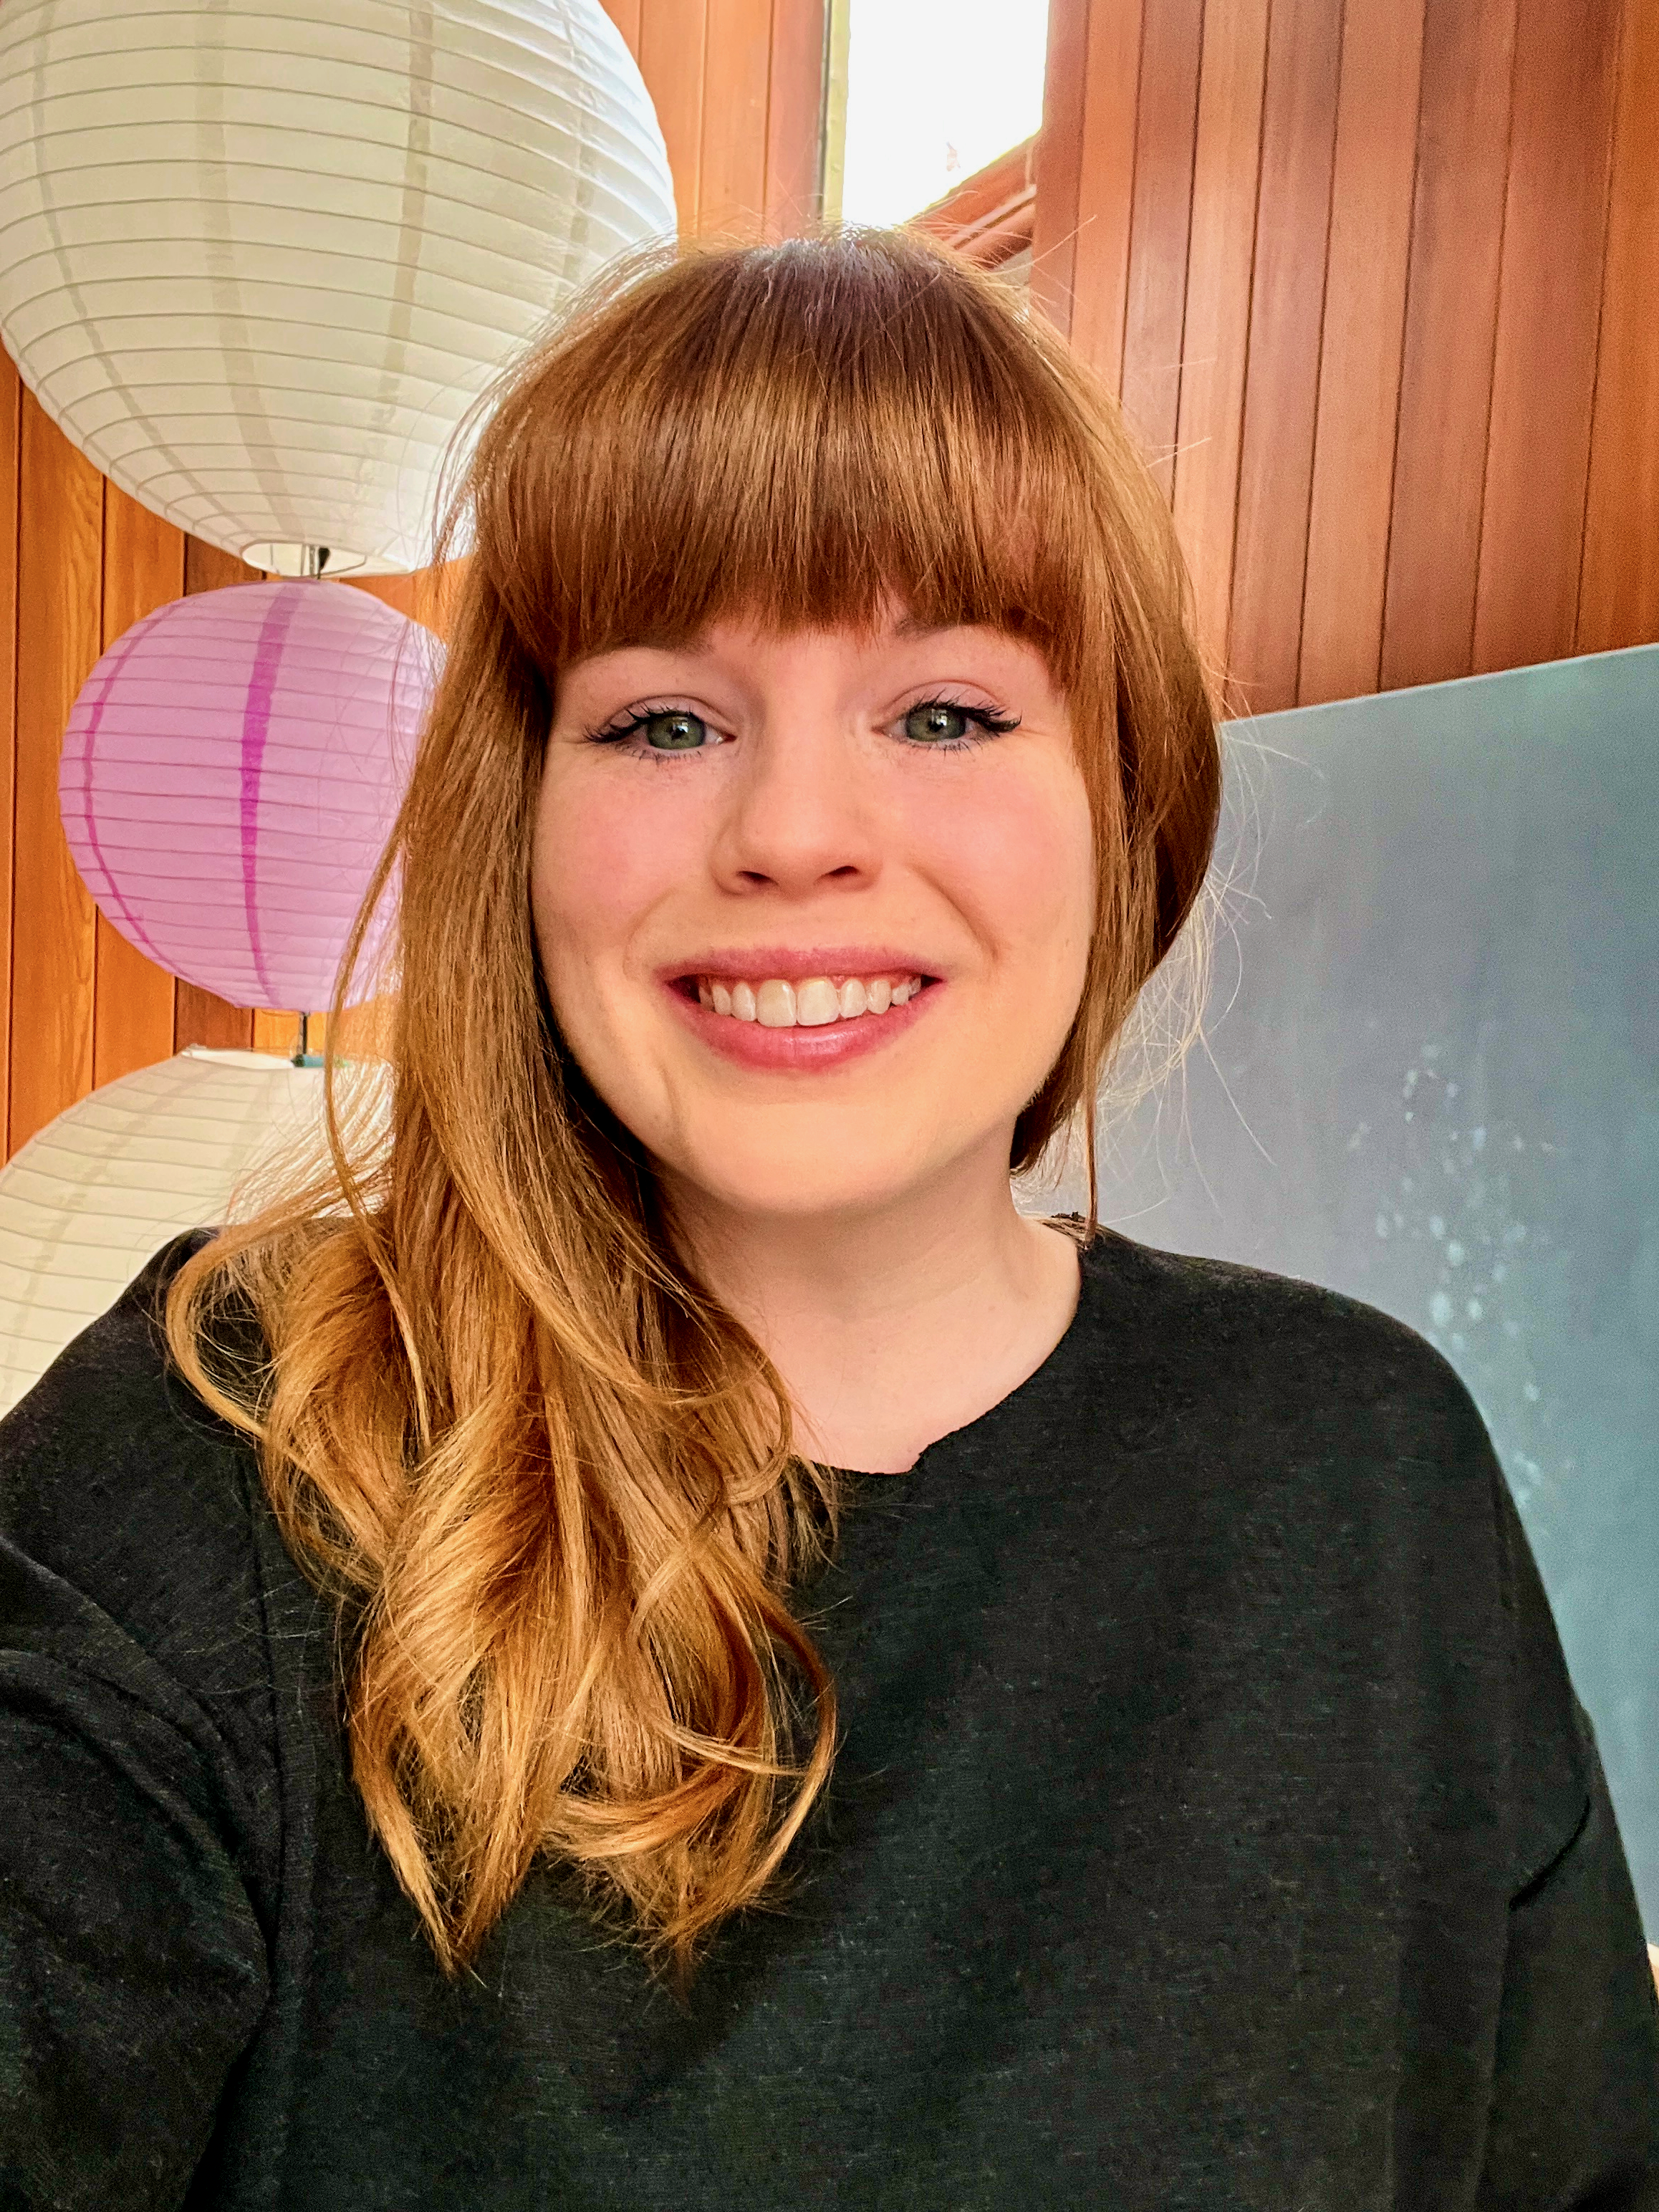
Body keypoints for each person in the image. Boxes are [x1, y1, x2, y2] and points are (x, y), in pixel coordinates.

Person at [1, 230, 1655, 2212]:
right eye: (663, 721)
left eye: (945, 712)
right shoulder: (221, 1458)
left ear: (1120, 803)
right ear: (519, 827)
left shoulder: (1360, 1472)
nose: (790, 829)